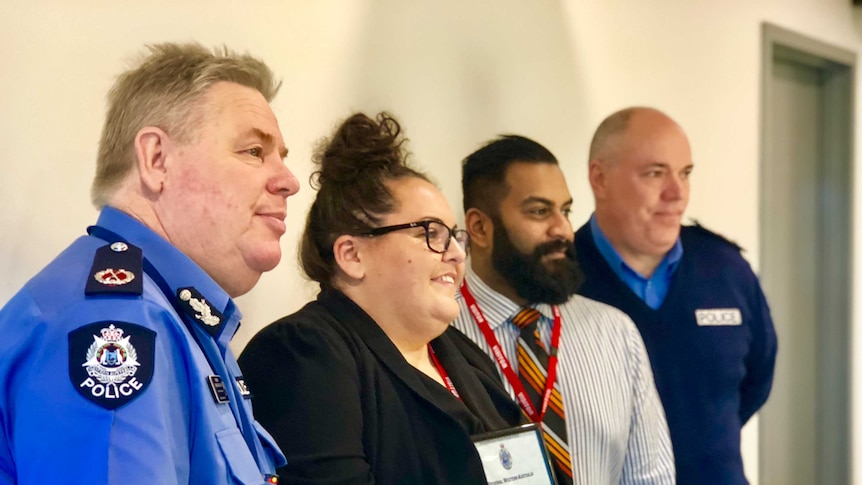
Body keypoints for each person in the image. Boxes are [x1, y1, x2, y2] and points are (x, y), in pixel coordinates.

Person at [0, 42, 299, 484]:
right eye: (253, 151)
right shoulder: (116, 325)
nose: (288, 181)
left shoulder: (178, 319)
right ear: (157, 160)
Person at [238, 112, 522, 485]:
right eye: (430, 233)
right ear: (352, 256)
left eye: (454, 235)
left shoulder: (466, 357)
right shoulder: (302, 354)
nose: (455, 253)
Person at [451, 135, 676, 485]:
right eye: (539, 211)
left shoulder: (614, 333)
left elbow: (651, 477)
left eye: (565, 210)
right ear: (479, 227)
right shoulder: (435, 332)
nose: (563, 230)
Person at [574, 106, 778, 485]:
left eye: (685, 174)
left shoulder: (726, 269)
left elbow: (757, 378)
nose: (677, 193)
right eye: (655, 174)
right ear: (599, 179)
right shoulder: (560, 279)